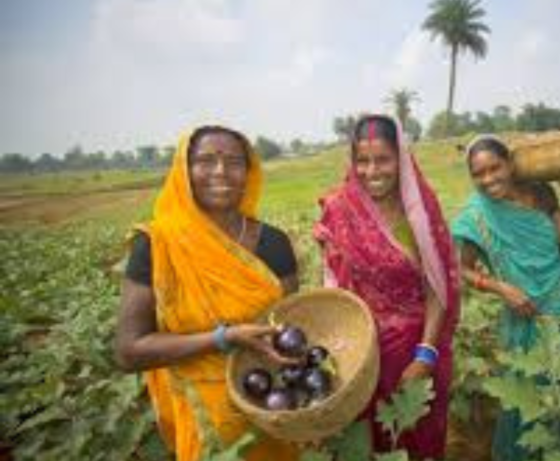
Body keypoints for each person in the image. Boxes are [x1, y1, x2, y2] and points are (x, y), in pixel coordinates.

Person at [115, 125, 300, 461]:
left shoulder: (274, 243)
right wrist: (222, 338)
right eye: (205, 161)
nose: (221, 172)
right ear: (184, 171)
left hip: (273, 411)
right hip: (206, 424)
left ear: (248, 172)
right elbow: (129, 351)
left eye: (233, 161)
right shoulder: (157, 246)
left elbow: (290, 332)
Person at [313, 114, 460, 459]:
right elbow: (333, 284)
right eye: (362, 161)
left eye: (382, 160)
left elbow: (437, 287)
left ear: (401, 159)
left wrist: (425, 354)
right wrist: (341, 351)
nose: (371, 171)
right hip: (363, 350)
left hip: (418, 348)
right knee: (371, 440)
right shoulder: (339, 209)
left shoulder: (419, 211)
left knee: (417, 437)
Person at [451, 135, 560, 461]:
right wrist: (502, 288)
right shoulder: (475, 215)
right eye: (479, 174)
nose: (488, 179)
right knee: (529, 394)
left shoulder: (541, 193)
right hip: (525, 310)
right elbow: (461, 269)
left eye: (494, 168)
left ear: (510, 164)